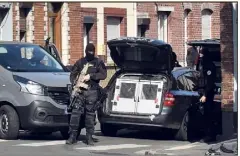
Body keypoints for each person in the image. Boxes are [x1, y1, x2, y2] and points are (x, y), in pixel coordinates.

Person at [66, 43, 107, 145]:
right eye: (89, 52)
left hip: (92, 91)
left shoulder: (98, 62)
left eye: (92, 52)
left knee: (90, 115)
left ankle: (89, 137)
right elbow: (73, 74)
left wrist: (91, 76)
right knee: (75, 114)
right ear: (85, 51)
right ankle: (72, 136)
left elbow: (103, 74)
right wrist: (75, 82)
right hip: (80, 91)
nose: (90, 54)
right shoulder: (80, 62)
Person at [196, 47, 217, 142]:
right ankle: (204, 133)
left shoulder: (209, 65)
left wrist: (205, 94)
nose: (200, 56)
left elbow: (209, 82)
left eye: (202, 54)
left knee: (208, 114)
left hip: (207, 93)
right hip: (201, 91)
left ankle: (210, 135)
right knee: (203, 114)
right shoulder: (201, 64)